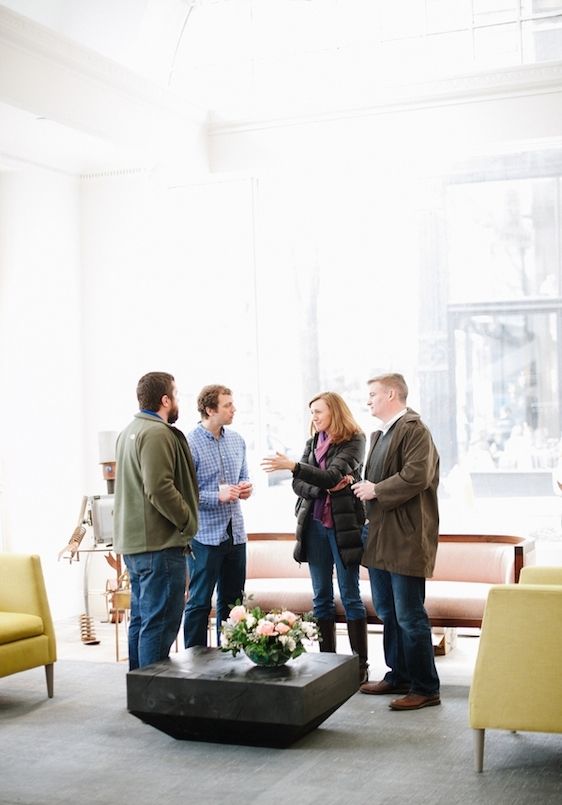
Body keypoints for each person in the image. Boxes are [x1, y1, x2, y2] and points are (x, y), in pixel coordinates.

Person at [262, 392, 369, 683]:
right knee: (321, 599)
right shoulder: (313, 442)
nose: (315, 418)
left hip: (343, 527)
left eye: (318, 411)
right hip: (314, 527)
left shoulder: (355, 440)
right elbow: (300, 485)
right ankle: (328, 662)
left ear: (334, 411)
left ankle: (360, 667)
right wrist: (323, 487)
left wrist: (297, 467)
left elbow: (329, 474)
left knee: (350, 597)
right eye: (312, 413)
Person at [352, 372, 441, 711]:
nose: (368, 399)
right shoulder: (380, 435)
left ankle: (425, 686)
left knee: (409, 614)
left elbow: (417, 475)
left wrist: (376, 489)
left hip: (405, 538)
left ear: (392, 394)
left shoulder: (414, 430)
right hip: (378, 538)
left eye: (373, 393)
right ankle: (399, 675)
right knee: (388, 612)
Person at [113, 371, 199, 671]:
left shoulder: (129, 431)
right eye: (176, 394)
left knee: (141, 620)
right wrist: (188, 522)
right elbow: (159, 488)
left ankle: (140, 691)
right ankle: (152, 694)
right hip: (159, 546)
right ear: (165, 399)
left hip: (137, 545)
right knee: (160, 623)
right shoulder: (157, 433)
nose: (178, 401)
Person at [183, 384, 252, 648]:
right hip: (205, 536)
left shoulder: (237, 440)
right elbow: (184, 493)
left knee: (234, 603)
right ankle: (195, 661)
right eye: (227, 405)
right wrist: (216, 496)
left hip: (236, 533)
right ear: (210, 410)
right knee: (199, 602)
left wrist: (245, 488)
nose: (233, 409)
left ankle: (231, 655)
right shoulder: (189, 443)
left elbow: (243, 477)